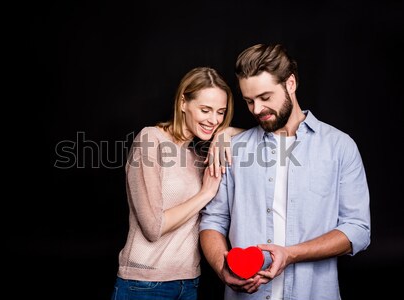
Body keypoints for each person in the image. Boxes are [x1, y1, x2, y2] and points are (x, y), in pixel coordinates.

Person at [199, 44, 371, 300]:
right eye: (249, 101)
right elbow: (213, 220)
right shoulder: (233, 149)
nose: (256, 109)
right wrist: (221, 267)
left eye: (265, 97)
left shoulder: (339, 146)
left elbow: (357, 229)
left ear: (290, 83)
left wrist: (292, 254)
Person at [111, 66, 244, 300]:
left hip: (189, 283)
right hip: (144, 284)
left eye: (221, 113)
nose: (213, 120)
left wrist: (226, 132)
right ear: (183, 102)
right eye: (205, 110)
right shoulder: (151, 139)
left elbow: (266, 136)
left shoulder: (199, 156)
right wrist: (205, 193)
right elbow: (153, 227)